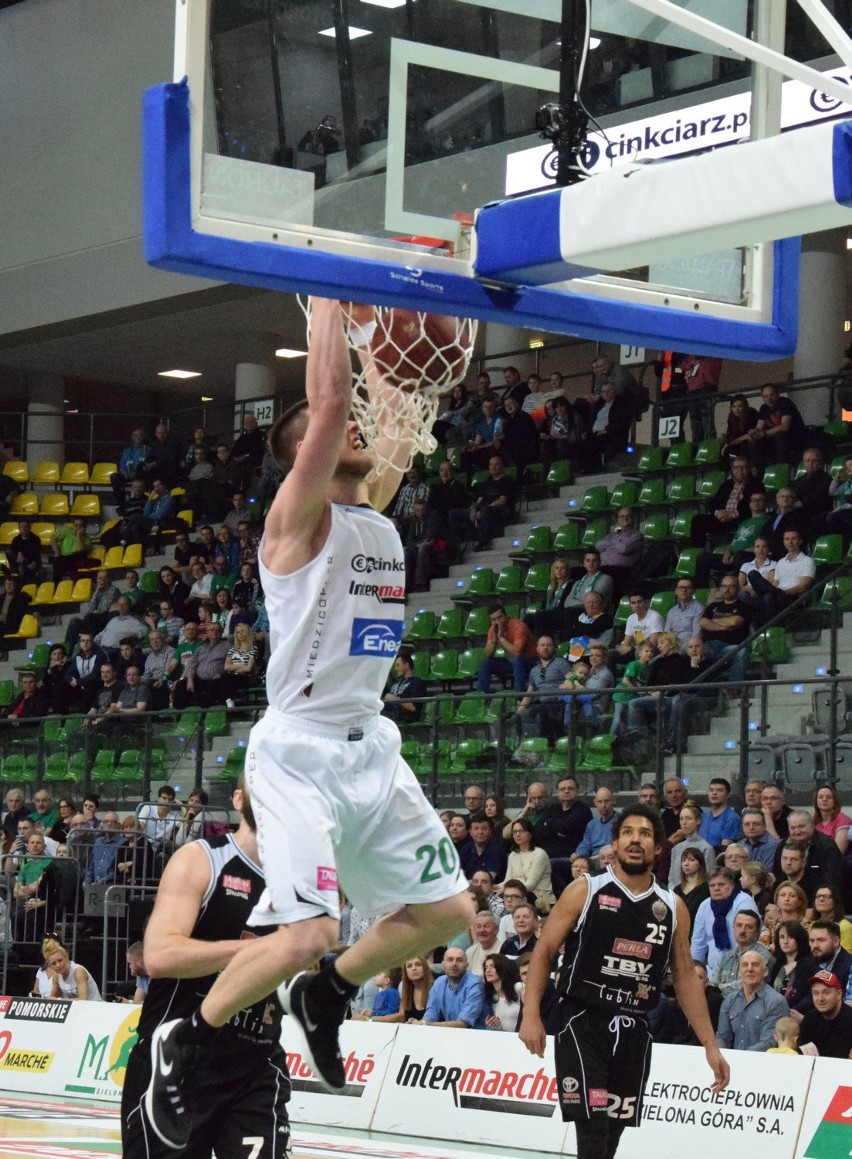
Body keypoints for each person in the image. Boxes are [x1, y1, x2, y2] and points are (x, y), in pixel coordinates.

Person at [144, 300, 474, 1149]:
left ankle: (327, 991)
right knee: (307, 930)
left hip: (369, 742)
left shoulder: (373, 508)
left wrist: (386, 351)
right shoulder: (294, 525)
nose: (355, 424)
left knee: (449, 909)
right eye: (331, 426)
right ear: (300, 455)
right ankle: (194, 1037)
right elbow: (329, 405)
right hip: (299, 752)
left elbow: (377, 415)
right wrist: (330, 304)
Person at [520, 804, 727, 1158]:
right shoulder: (586, 889)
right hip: (582, 1022)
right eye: (628, 832)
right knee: (594, 1126)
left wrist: (710, 1043)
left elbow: (684, 978)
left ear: (658, 848)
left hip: (635, 1028)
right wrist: (532, 1015)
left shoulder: (672, 906)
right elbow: (544, 951)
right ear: (614, 843)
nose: (636, 839)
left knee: (612, 1137)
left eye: (645, 834)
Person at [123, 779, 291, 1159]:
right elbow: (160, 955)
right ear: (237, 799)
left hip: (254, 1063)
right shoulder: (201, 858)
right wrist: (252, 952)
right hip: (177, 1063)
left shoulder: (302, 882)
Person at [715, 951, 789, 1051]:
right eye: (745, 965)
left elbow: (769, 1043)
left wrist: (741, 1058)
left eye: (755, 965)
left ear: (765, 972)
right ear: (739, 972)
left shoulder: (776, 1002)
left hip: (762, 1063)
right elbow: (722, 1037)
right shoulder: (729, 1001)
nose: (749, 969)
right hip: (732, 1062)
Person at [690, 868, 755, 969]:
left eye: (721, 884)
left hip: (740, 969)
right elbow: (698, 943)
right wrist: (693, 970)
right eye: (712, 885)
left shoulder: (744, 902)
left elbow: (751, 940)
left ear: (732, 885)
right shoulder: (705, 905)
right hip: (712, 972)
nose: (716, 888)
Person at [709, 909, 773, 997]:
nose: (742, 930)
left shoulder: (762, 956)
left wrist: (718, 989)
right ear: (733, 928)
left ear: (757, 933)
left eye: (749, 927)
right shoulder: (726, 956)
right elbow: (712, 984)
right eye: (739, 925)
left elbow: (748, 984)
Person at [475, 604, 537, 694]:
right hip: (511, 662)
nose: (497, 622)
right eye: (494, 620)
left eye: (500, 617)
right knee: (486, 663)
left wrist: (501, 638)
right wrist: (495, 640)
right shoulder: (493, 629)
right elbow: (488, 654)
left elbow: (517, 652)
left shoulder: (519, 626)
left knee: (517, 660)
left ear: (506, 616)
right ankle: (481, 697)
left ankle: (519, 695)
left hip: (531, 661)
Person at [749, 383, 807, 470]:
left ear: (777, 394)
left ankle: (781, 469)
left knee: (781, 436)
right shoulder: (764, 408)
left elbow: (785, 426)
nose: (769, 398)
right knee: (753, 440)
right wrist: (753, 432)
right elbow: (759, 427)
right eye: (765, 396)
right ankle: (756, 470)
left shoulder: (785, 403)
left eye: (771, 395)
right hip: (774, 439)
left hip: (794, 437)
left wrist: (764, 433)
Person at [798, 970, 852, 1058]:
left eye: (826, 992)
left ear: (839, 994)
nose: (820, 999)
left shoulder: (849, 1019)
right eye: (815, 993)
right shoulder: (809, 1019)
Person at [505, 818, 555, 912]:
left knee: (510, 898)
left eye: (521, 831)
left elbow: (530, 885)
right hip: (518, 895)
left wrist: (507, 890)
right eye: (515, 832)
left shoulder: (539, 854)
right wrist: (494, 887)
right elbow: (507, 881)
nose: (518, 834)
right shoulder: (513, 855)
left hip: (539, 899)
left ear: (530, 834)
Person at [698, 778, 741, 851]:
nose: (714, 793)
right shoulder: (703, 816)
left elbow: (724, 849)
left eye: (719, 790)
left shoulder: (731, 818)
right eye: (711, 790)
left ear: (727, 795)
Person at [482, 953, 522, 1031]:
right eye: (486, 967)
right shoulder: (493, 997)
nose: (488, 970)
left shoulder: (518, 988)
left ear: (503, 968)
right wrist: (493, 1027)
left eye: (492, 966)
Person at [813, 782, 851, 855]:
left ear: (835, 801)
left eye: (829, 797)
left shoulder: (843, 820)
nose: (824, 800)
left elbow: (838, 851)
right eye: (820, 797)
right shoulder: (813, 821)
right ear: (816, 801)